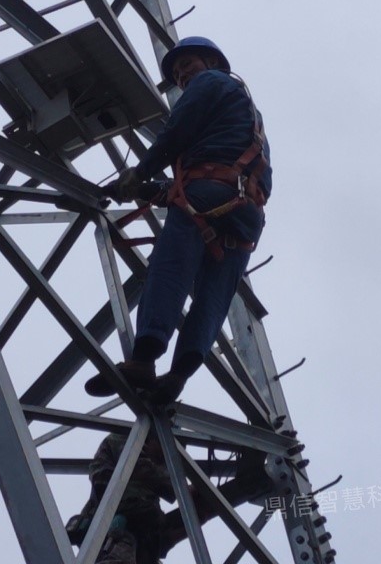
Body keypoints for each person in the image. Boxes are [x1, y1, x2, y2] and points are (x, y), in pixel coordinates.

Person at [85, 36, 272, 404]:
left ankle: (143, 359)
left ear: (212, 62)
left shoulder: (212, 82)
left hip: (212, 192)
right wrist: (148, 190)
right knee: (214, 295)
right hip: (244, 211)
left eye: (187, 65)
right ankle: (178, 376)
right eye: (176, 72)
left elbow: (178, 131)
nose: (182, 75)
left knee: (169, 266)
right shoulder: (244, 112)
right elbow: (205, 171)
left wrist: (140, 172)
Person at [67, 432, 174, 564]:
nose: (165, 459)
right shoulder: (126, 441)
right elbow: (164, 483)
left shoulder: (151, 475)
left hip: (133, 534)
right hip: (111, 526)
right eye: (165, 451)